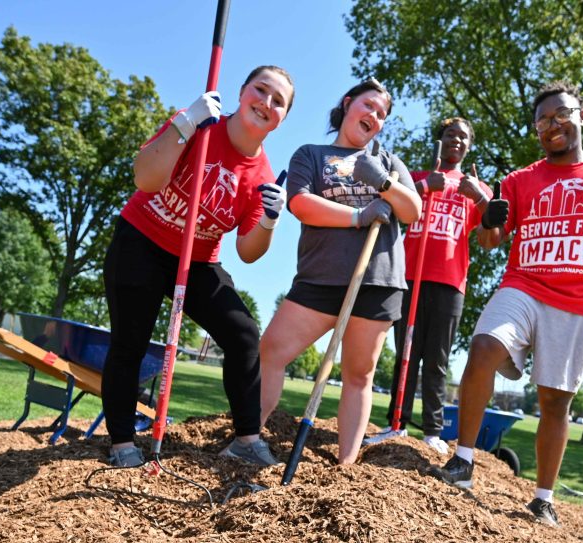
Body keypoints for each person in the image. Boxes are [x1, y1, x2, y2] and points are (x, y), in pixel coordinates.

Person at [430, 80, 583, 527]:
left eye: (562, 114)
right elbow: (491, 240)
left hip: (579, 303)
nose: (553, 125)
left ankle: (543, 498)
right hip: (523, 286)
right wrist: (488, 219)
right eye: (543, 120)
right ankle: (463, 461)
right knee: (484, 346)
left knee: (554, 401)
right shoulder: (519, 181)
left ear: (581, 115)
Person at [101, 65, 295, 468]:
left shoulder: (260, 177)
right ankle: (123, 444)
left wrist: (270, 220)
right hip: (141, 240)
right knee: (130, 341)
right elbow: (145, 178)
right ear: (242, 92)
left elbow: (248, 251)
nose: (267, 103)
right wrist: (187, 121)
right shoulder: (198, 126)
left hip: (196, 260)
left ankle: (246, 438)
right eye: (261, 91)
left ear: (283, 119)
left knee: (243, 333)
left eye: (279, 102)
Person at [259, 78, 422, 465]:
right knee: (271, 350)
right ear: (348, 104)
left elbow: (412, 211)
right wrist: (358, 215)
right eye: (369, 106)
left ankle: (345, 464)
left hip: (377, 281)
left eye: (382, 115)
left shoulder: (387, 161)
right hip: (320, 277)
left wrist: (383, 182)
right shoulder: (311, 155)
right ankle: (249, 437)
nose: (374, 117)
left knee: (359, 374)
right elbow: (299, 203)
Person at [380, 117, 495, 454]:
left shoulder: (475, 187)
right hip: (410, 276)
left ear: (469, 146)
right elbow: (390, 210)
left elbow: (491, 239)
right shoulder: (416, 178)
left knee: (437, 359)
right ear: (440, 141)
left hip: (449, 280)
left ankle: (432, 431)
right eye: (449, 135)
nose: (456, 141)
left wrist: (479, 200)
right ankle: (395, 423)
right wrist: (422, 188)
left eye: (463, 137)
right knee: (406, 353)